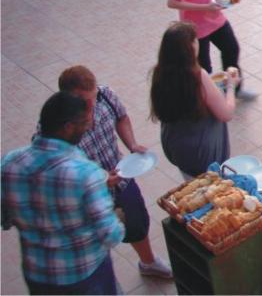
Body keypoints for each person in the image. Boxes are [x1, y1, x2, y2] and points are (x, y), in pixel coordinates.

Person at [42, 66, 173, 280]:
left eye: (93, 97)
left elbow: (121, 117)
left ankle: (148, 262)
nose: (91, 106)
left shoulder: (105, 95)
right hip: (86, 197)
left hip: (120, 177)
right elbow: (54, 173)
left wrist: (132, 144)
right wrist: (99, 181)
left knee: (137, 222)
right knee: (95, 242)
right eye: (84, 101)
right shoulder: (53, 126)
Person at [3, 92, 125, 295]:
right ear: (68, 127)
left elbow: (4, 217)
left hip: (37, 275)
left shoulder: (9, 163)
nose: (90, 126)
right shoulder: (86, 174)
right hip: (83, 276)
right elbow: (111, 235)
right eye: (85, 122)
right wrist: (117, 219)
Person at [151, 22, 238, 179]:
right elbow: (226, 114)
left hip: (175, 146)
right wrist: (231, 87)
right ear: (190, 47)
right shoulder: (198, 76)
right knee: (212, 191)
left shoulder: (160, 72)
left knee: (192, 184)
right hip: (201, 151)